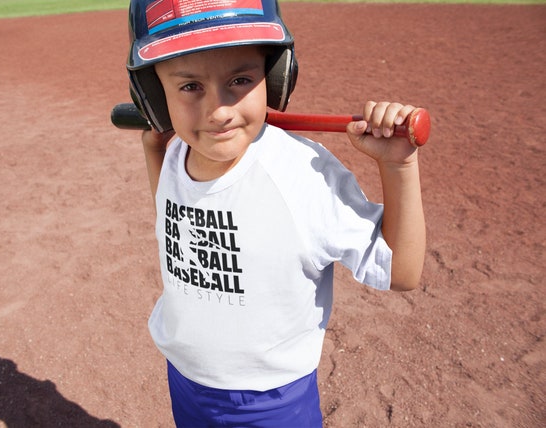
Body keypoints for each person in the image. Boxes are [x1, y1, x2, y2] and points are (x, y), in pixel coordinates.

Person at [126, 0, 426, 426]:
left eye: (240, 79)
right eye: (190, 87)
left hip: (271, 402)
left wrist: (398, 166)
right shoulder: (177, 155)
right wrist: (154, 145)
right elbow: (171, 212)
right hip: (186, 379)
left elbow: (402, 272)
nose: (220, 110)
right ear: (154, 95)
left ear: (277, 76)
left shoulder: (304, 174)